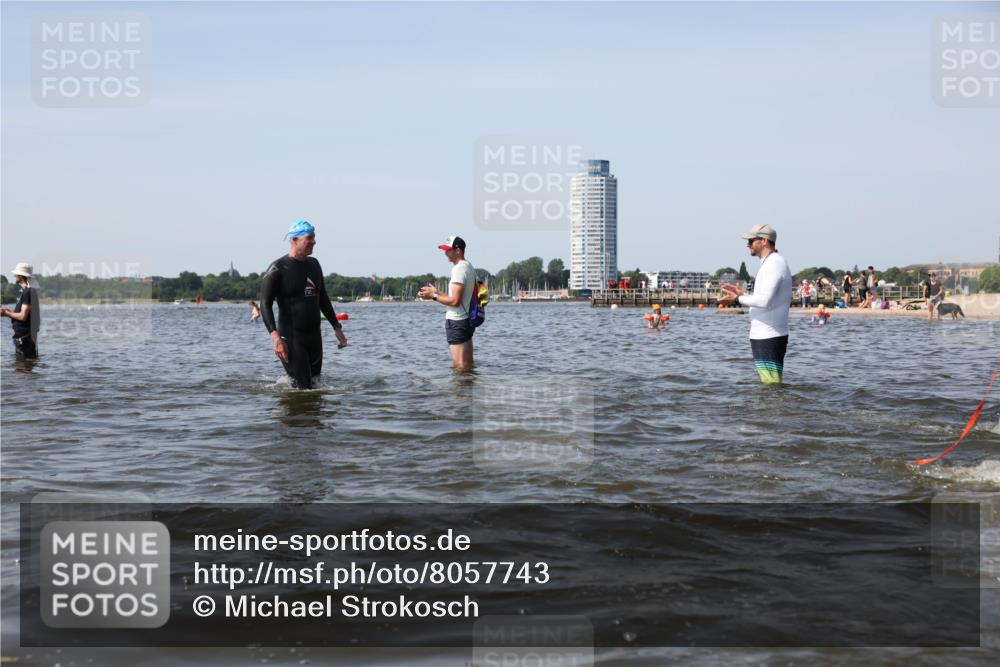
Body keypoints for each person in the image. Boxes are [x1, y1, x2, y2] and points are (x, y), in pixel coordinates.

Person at [260, 220, 347, 389]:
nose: (314, 241)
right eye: (310, 237)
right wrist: (276, 338)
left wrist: (337, 328)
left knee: (315, 388)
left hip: (314, 338)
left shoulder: (314, 264)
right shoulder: (278, 269)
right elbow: (265, 304)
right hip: (291, 339)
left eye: (314, 237)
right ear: (294, 240)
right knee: (303, 389)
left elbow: (322, 298)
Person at [718, 224, 793, 384]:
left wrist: (737, 299)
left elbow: (764, 301)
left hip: (769, 335)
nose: (747, 244)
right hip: (765, 334)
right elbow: (764, 298)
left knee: (771, 385)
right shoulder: (770, 263)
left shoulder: (774, 263)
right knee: (769, 384)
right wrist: (742, 295)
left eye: (751, 240)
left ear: (764, 241)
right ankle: (776, 409)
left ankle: (776, 409)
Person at [418, 235, 476, 369]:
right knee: (467, 364)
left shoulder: (459, 269)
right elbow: (458, 297)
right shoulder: (468, 266)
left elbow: (455, 301)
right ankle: (469, 388)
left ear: (458, 251)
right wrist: (437, 292)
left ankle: (458, 389)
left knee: (459, 365)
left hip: (457, 322)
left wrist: (433, 296)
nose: (445, 253)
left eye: (448, 250)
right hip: (466, 320)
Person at [1, 263, 40, 359]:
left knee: (24, 370)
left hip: (24, 339)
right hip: (26, 338)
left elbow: (23, 316)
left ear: (21, 276)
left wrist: (6, 313)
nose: (14, 276)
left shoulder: (27, 292)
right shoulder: (29, 291)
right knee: (24, 368)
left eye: (16, 274)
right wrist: (9, 312)